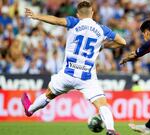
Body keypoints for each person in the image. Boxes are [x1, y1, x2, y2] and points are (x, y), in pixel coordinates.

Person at [21, 1, 126, 135]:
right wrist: (103, 46)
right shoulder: (102, 29)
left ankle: (30, 110)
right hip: (86, 78)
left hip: (67, 74)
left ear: (78, 14)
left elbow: (56, 20)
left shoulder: (74, 22)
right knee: (101, 104)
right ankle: (111, 130)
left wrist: (36, 16)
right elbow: (122, 42)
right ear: (92, 13)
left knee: (49, 94)